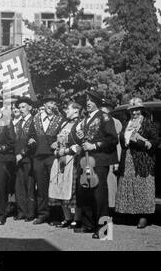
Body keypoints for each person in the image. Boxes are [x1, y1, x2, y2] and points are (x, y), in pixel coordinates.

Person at [70, 90, 118, 239]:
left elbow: (112, 140)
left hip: (99, 160)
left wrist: (95, 146)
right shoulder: (83, 120)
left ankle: (103, 229)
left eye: (91, 100)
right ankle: (88, 224)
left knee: (99, 195)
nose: (88, 103)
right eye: (87, 100)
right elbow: (77, 137)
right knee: (84, 193)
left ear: (97, 102)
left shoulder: (104, 117)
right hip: (84, 161)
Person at [115, 98, 159, 229]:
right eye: (132, 110)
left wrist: (139, 141)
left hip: (143, 159)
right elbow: (122, 141)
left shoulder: (147, 124)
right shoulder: (126, 123)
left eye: (137, 110)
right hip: (127, 158)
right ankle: (130, 214)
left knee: (143, 187)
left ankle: (144, 216)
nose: (134, 113)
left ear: (142, 110)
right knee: (129, 185)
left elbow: (155, 142)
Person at [48, 101, 82, 228]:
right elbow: (57, 139)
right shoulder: (64, 123)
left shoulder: (80, 124)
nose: (66, 111)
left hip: (72, 160)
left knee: (72, 190)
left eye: (68, 108)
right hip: (59, 159)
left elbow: (80, 144)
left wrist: (66, 151)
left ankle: (77, 218)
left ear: (76, 110)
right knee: (60, 187)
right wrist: (55, 145)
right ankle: (67, 217)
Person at [31, 94, 64, 224]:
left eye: (54, 104)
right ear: (43, 105)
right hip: (38, 157)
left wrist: (58, 142)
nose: (51, 106)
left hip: (52, 157)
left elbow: (64, 136)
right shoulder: (35, 119)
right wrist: (31, 139)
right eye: (49, 103)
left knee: (55, 186)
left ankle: (56, 216)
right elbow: (31, 134)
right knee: (41, 187)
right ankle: (43, 214)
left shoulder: (60, 119)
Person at [13, 97, 36, 222]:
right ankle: (21, 211)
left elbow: (33, 141)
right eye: (20, 107)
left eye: (23, 107)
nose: (21, 110)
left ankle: (30, 213)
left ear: (30, 107)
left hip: (28, 158)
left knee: (29, 186)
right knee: (19, 186)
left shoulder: (34, 121)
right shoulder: (17, 123)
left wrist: (21, 154)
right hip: (17, 159)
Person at [100, 99, 122, 214]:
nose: (102, 109)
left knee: (111, 183)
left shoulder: (114, 122)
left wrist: (116, 160)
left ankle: (111, 208)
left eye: (105, 107)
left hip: (110, 156)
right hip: (101, 156)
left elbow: (116, 143)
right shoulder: (98, 120)